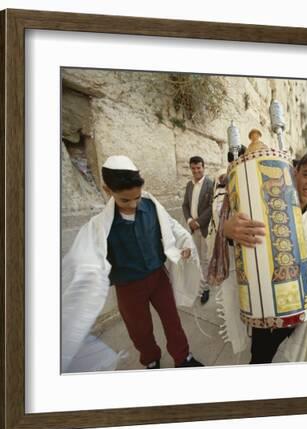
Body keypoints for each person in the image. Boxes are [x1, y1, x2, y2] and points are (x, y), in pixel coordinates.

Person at [62, 155, 204, 371]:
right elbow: (84, 259)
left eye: (136, 198)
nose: (133, 205)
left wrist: (183, 244)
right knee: (139, 330)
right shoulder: (99, 226)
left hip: (158, 278)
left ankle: (182, 357)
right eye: (125, 200)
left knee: (172, 321)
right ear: (107, 190)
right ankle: (150, 359)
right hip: (128, 287)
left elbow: (172, 226)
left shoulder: (151, 206)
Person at [209, 149, 307, 363]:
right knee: (260, 354)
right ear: (295, 171)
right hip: (260, 297)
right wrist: (229, 230)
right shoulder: (265, 201)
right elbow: (246, 238)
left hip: (293, 303)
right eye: (306, 174)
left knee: (278, 351)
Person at [182, 156, 214, 304]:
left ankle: (205, 289)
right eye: (193, 168)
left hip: (204, 228)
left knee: (205, 259)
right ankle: (201, 285)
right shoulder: (189, 185)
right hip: (192, 228)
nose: (196, 171)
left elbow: (211, 206)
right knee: (197, 258)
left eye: (198, 168)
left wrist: (199, 222)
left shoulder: (210, 184)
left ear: (203, 167)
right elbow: (185, 205)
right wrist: (189, 220)